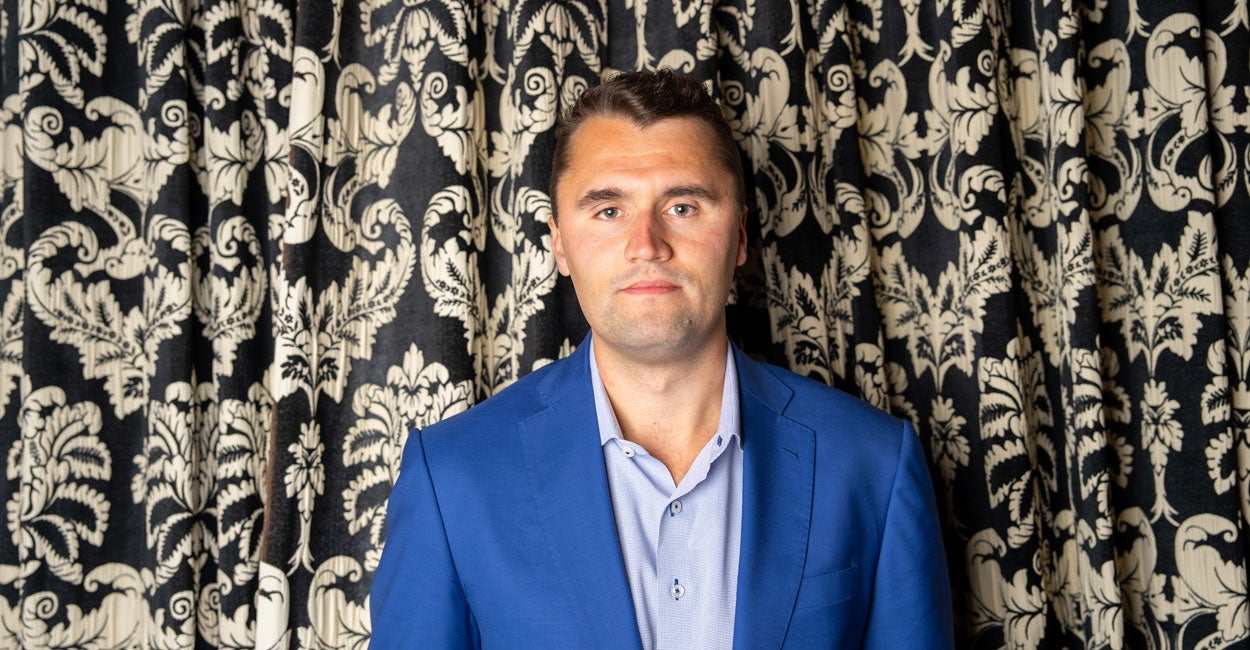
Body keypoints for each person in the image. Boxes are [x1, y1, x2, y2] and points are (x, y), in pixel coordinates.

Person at [369, 70, 954, 649]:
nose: (646, 245)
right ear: (559, 243)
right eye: (608, 210)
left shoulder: (874, 464)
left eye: (683, 207)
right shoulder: (452, 478)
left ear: (740, 235)